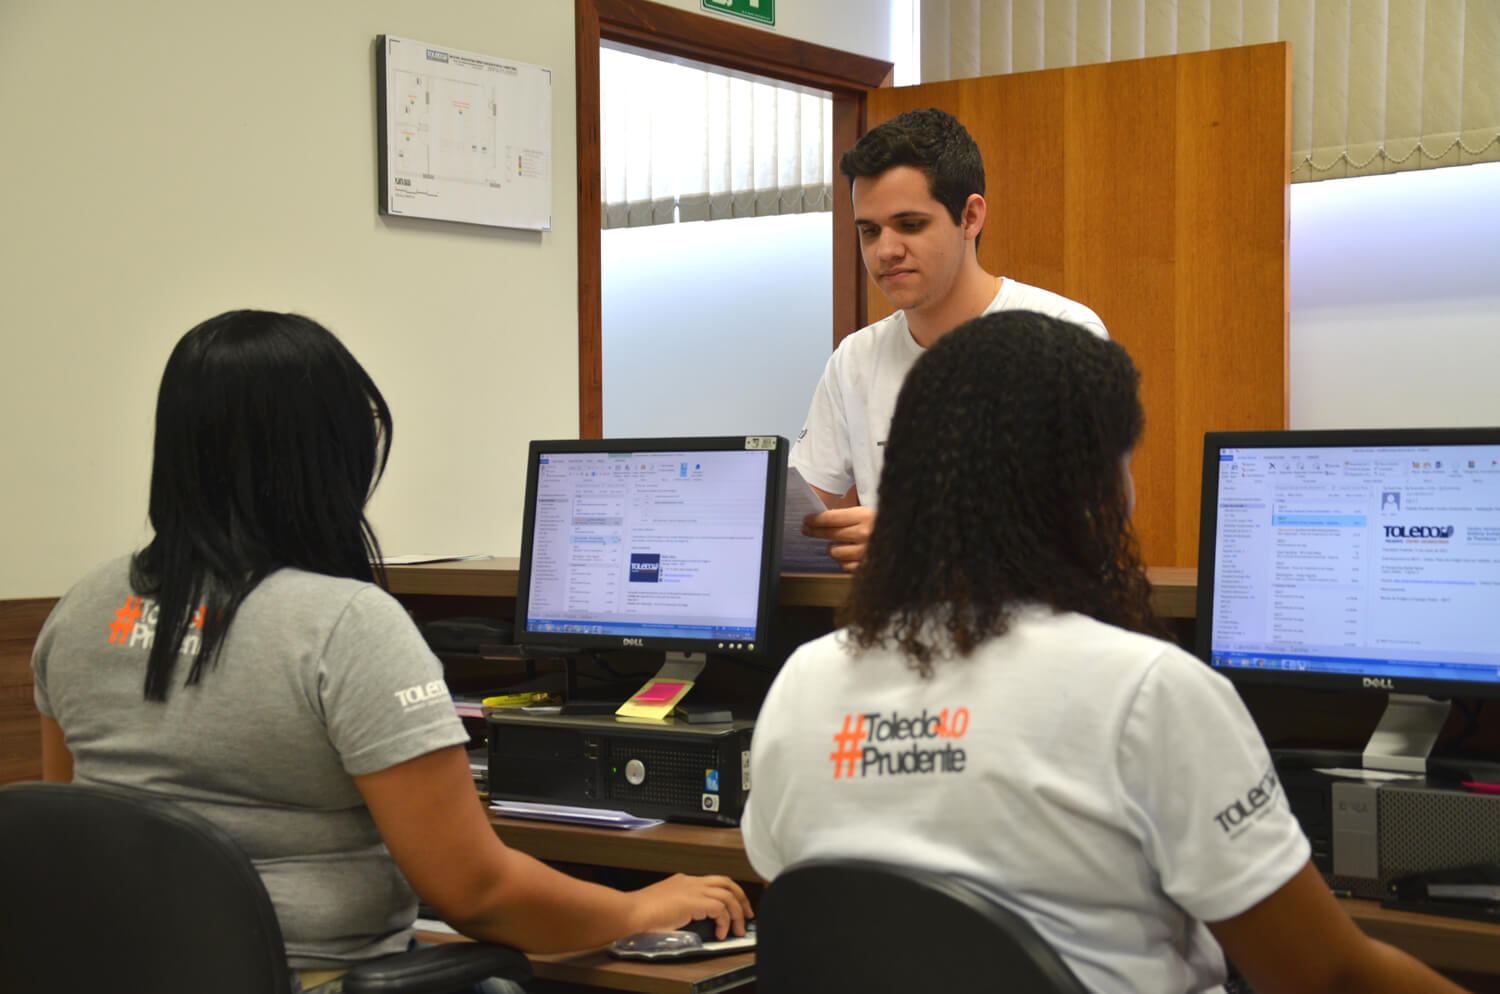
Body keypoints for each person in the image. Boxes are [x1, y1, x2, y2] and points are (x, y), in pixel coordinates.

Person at [743, 312, 1466, 994]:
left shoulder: (805, 683)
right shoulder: (1147, 691)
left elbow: (816, 925)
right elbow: (1325, 977)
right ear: (1091, 488)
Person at [32, 310, 751, 994]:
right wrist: (638, 909)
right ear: (320, 455)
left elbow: (74, 829)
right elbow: (478, 893)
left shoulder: (83, 608)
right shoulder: (345, 627)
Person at [791, 107, 1106, 571]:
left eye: (910, 225)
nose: (886, 250)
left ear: (970, 217)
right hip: (894, 630)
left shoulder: (1064, 334)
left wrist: (909, 541)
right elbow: (802, 513)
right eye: (869, 231)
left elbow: (1083, 519)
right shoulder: (855, 358)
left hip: (1028, 628)